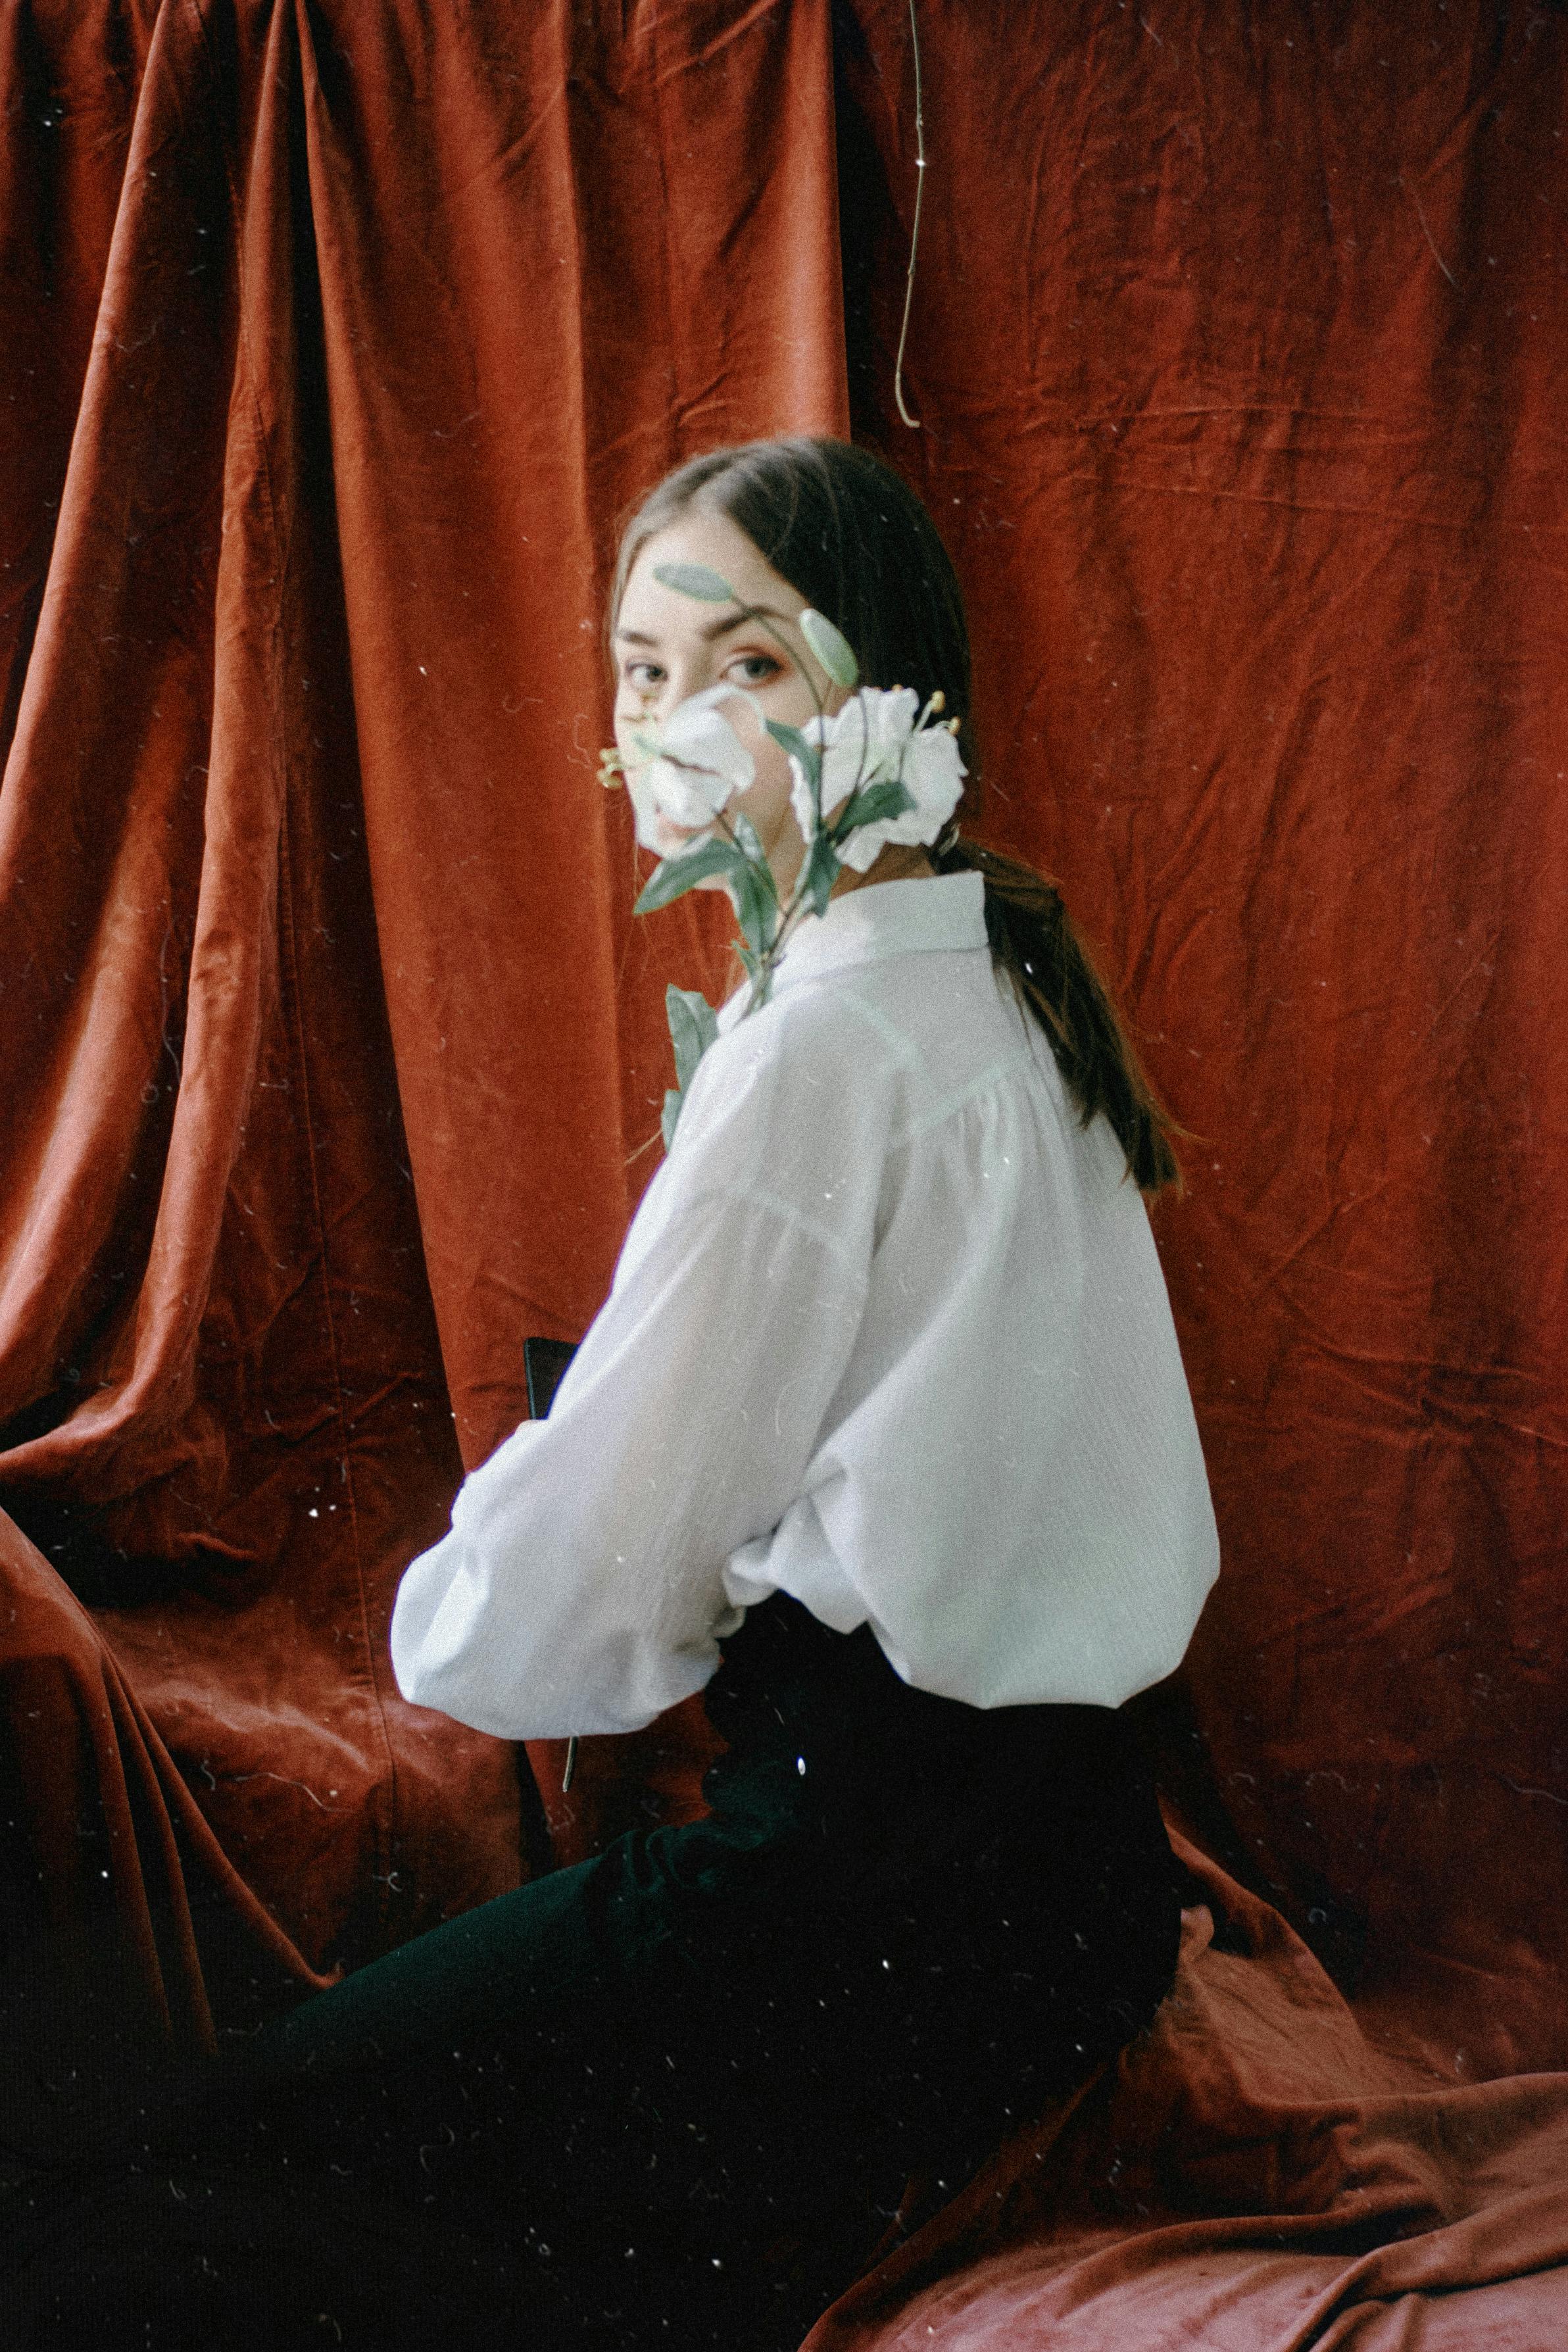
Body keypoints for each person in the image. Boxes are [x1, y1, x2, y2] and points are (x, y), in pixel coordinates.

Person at [9, 439, 1219, 2351]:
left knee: (192, 2185)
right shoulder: (980, 976)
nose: (676, 720)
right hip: (1074, 1909)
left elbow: (590, 1588)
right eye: (642, 672)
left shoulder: (828, 1040)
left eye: (747, 665)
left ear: (888, 696)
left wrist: (454, 1614)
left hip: (869, 1923)